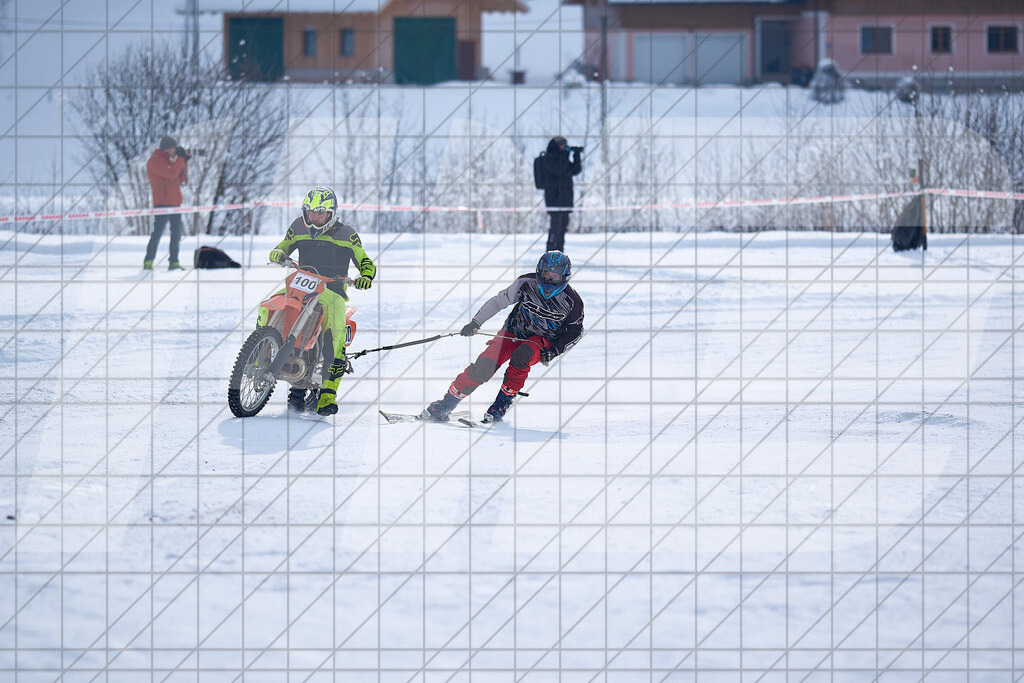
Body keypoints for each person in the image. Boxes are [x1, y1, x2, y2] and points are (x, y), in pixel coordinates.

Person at [422, 250, 584, 423]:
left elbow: (576, 332)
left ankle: (501, 404)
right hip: (513, 332)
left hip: (541, 341)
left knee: (522, 356)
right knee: (484, 367)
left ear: (565, 276)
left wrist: (555, 350)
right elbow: (498, 301)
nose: (549, 280)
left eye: (555, 276)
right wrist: (476, 322)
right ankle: (447, 403)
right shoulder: (526, 283)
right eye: (546, 274)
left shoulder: (573, 302)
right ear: (539, 271)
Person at [261, 187, 377, 416]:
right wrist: (277, 253)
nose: (315, 217)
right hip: (299, 284)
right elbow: (283, 246)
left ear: (331, 213)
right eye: (311, 212)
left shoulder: (347, 234)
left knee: (335, 336)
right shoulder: (297, 227)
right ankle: (257, 356)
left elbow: (365, 261)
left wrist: (366, 276)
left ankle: (326, 395)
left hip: (332, 290)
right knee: (268, 307)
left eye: (320, 213)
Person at [144, 136, 190, 270]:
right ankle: (148, 261)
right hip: (162, 203)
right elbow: (171, 174)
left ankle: (174, 262)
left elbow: (181, 178)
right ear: (168, 148)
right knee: (157, 233)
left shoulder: (171, 161)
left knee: (176, 233)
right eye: (174, 148)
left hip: (175, 203)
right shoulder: (155, 161)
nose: (176, 151)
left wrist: (184, 162)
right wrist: (181, 159)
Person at [540, 136, 582, 252]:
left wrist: (576, 155)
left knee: (562, 228)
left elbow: (575, 170)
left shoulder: (563, 159)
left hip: (565, 200)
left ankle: (559, 253)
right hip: (554, 200)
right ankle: (550, 253)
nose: (565, 147)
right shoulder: (549, 159)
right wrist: (566, 154)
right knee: (556, 228)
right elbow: (559, 169)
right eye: (562, 145)